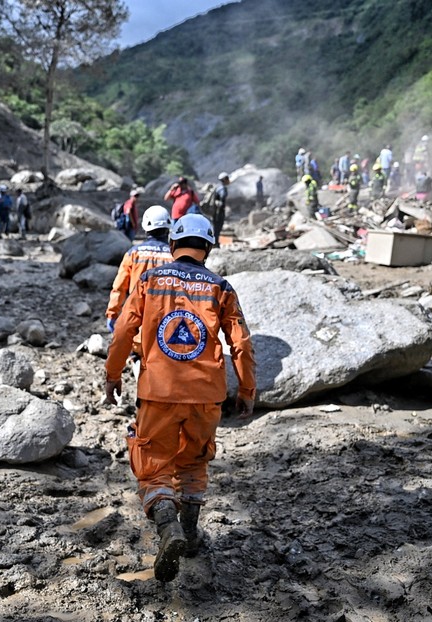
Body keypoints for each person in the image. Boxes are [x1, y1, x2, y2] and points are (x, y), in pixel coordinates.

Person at [103, 213, 256, 583]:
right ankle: (188, 533)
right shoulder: (221, 287)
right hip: (206, 395)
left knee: (154, 464)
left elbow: (124, 330)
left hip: (158, 391)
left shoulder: (150, 280)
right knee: (193, 462)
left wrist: (112, 373)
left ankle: (169, 528)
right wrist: (248, 390)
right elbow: (241, 344)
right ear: (208, 247)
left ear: (173, 245)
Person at [105, 206, 174, 335]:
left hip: (137, 328)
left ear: (146, 228)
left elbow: (119, 287)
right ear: (168, 228)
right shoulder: (175, 256)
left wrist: (112, 313)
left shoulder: (133, 254)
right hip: (166, 328)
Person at [202, 172, 230, 247]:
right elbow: (222, 197)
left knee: (215, 227)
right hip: (219, 212)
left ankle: (214, 242)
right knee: (218, 227)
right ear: (225, 179)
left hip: (215, 211)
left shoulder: (217, 187)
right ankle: (215, 243)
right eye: (227, 178)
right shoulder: (222, 188)